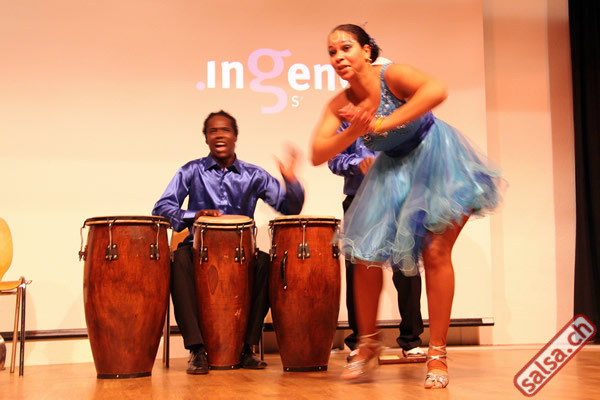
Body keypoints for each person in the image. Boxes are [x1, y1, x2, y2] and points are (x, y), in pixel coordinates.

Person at [311, 24, 502, 388]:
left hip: (436, 158)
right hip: (393, 170)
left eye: (346, 48)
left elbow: (436, 90)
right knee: (364, 256)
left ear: (367, 51)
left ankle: (437, 352)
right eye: (332, 52)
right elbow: (318, 153)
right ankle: (368, 343)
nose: (338, 57)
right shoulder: (340, 103)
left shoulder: (392, 75)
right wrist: (353, 130)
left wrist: (381, 122)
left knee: (436, 252)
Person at [152, 110, 305, 374]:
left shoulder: (254, 175)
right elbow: (161, 208)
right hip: (199, 250)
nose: (219, 135)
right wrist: (193, 215)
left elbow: (290, 208)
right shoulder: (191, 171)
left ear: (235, 136)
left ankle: (247, 348)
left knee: (265, 264)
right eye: (213, 131)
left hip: (241, 253)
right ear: (206, 138)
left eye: (225, 130)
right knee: (179, 262)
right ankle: (197, 350)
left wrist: (290, 181)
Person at [328, 122, 425, 362]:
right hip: (360, 198)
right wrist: (357, 163)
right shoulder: (347, 121)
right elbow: (333, 159)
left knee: (407, 268)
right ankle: (360, 341)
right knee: (358, 270)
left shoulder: (399, 115)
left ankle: (411, 340)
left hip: (399, 198)